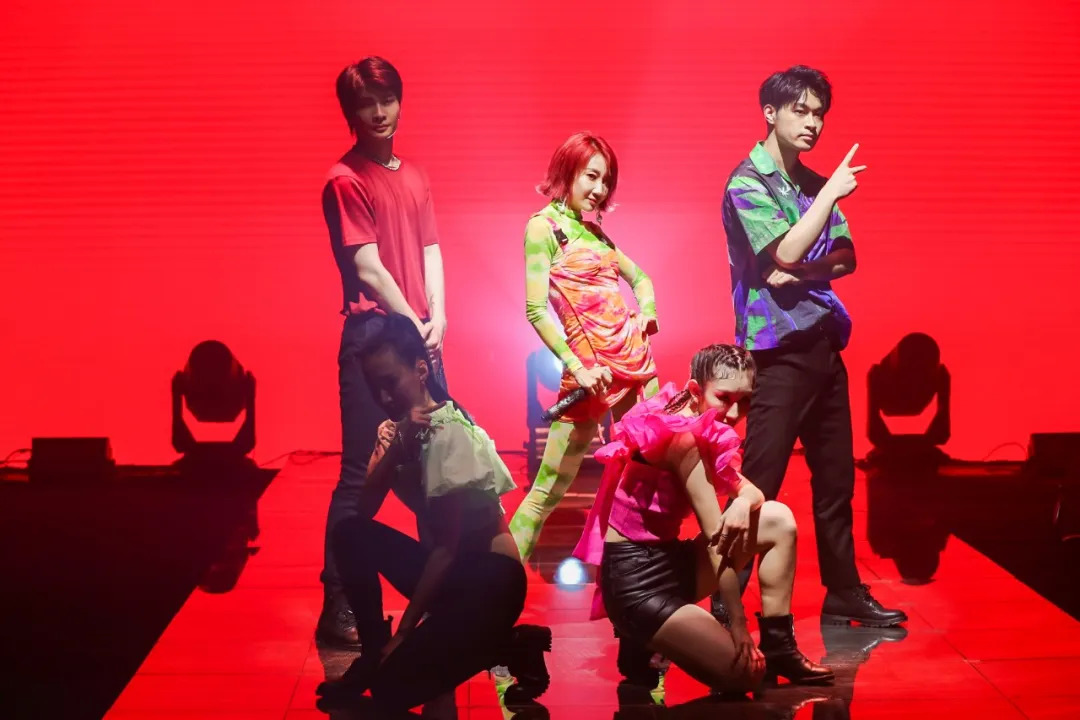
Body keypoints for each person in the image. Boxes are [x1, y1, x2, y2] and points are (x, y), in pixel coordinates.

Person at [716, 65, 906, 627]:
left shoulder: (813, 185)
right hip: (776, 353)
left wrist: (802, 271)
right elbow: (784, 250)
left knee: (836, 483)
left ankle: (843, 591)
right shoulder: (746, 182)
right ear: (770, 113)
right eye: (801, 110)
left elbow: (845, 257)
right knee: (757, 484)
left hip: (823, 342)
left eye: (820, 113)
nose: (813, 123)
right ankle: (723, 597)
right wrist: (821, 209)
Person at [316, 314, 551, 712]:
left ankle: (509, 646)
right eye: (374, 387)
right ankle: (373, 652)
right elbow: (363, 513)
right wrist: (394, 448)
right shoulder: (399, 430)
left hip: (491, 582)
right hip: (454, 576)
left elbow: (446, 548)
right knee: (349, 533)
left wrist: (403, 634)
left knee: (392, 689)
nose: (383, 397)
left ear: (421, 370)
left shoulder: (447, 434)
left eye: (390, 382)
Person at [574, 344, 833, 694]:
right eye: (724, 398)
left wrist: (743, 503)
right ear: (696, 390)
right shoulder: (683, 440)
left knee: (777, 518)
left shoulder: (692, 416)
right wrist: (737, 624)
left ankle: (779, 649)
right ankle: (642, 636)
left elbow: (752, 494)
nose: (734, 412)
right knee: (745, 675)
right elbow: (716, 542)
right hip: (636, 585)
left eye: (745, 401)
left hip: (671, 562)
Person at [318, 56, 451, 647]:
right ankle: (340, 603)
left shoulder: (415, 174)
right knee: (360, 473)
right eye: (365, 103)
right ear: (350, 113)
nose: (378, 112)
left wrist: (437, 315)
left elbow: (430, 250)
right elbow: (368, 267)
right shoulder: (345, 179)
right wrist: (413, 322)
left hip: (418, 336)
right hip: (375, 340)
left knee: (439, 468)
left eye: (386, 98)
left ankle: (442, 593)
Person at [508, 131, 660, 563]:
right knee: (547, 491)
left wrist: (647, 312)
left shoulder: (596, 234)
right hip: (591, 375)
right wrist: (579, 367)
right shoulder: (543, 228)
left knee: (647, 482)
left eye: (606, 180)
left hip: (637, 368)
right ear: (568, 170)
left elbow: (641, 279)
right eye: (592, 176)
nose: (599, 189)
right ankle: (494, 584)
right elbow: (535, 310)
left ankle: (637, 577)